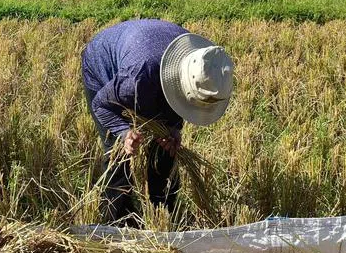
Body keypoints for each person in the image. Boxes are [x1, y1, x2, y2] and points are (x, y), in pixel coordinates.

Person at [81, 19, 234, 226]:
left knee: (166, 147)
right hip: (105, 64)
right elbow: (102, 104)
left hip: (152, 57)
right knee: (119, 154)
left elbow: (182, 100)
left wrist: (174, 128)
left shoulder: (207, 66)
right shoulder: (137, 78)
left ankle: (162, 212)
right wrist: (124, 133)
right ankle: (118, 220)